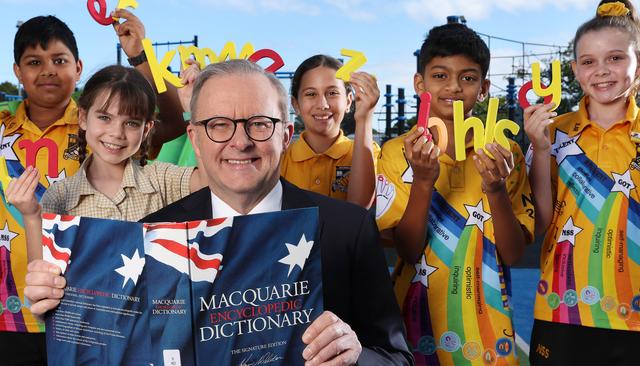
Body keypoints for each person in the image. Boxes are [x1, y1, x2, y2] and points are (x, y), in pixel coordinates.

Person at [24, 59, 414, 365]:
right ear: (194, 137)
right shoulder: (153, 233)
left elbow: (396, 357)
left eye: (259, 124)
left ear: (285, 133)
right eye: (218, 125)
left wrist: (355, 355)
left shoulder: (346, 228)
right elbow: (119, 347)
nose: (239, 142)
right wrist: (64, 308)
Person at [376, 23, 534, 365]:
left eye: (467, 77)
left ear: (484, 88)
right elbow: (407, 249)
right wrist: (422, 181)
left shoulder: (506, 155)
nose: (453, 87)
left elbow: (514, 254)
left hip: (489, 330)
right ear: (420, 84)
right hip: (413, 323)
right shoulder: (393, 153)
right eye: (440, 75)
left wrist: (495, 190)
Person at [524, 1, 640, 364]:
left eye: (615, 58)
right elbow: (541, 221)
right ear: (576, 69)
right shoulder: (551, 131)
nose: (602, 71)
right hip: (562, 312)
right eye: (589, 61)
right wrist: (541, 148)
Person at [6, 64, 203, 264]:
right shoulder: (59, 197)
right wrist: (31, 216)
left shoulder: (162, 179)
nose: (116, 133)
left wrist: (196, 110)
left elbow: (217, 183)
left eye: (132, 123)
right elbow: (42, 278)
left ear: (146, 130)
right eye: (104, 117)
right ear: (83, 117)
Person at [0, 16, 83, 365]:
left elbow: (168, 125)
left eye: (59, 60)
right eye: (34, 62)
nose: (48, 70)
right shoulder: (3, 124)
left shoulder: (100, 125)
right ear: (17, 71)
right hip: (9, 311)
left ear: (78, 68)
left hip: (82, 308)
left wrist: (140, 56)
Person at [281, 55, 379, 208]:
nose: (323, 104)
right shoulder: (281, 156)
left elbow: (358, 209)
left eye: (332, 93)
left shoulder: (369, 151)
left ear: (348, 101)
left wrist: (364, 119)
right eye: (311, 94)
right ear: (296, 105)